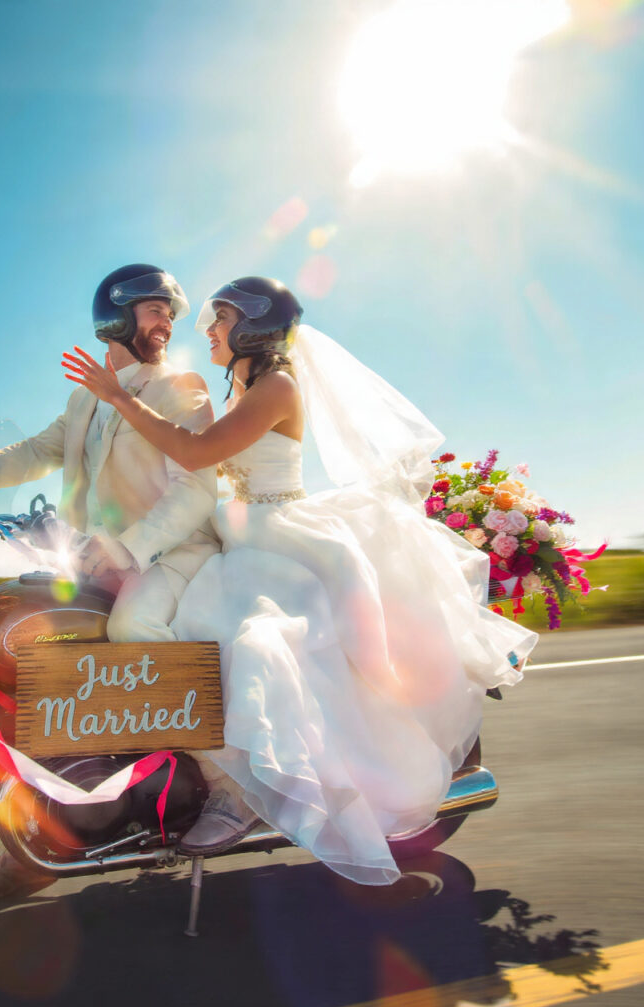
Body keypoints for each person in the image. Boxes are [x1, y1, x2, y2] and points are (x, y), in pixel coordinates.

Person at [62, 276, 537, 886]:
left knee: (257, 648)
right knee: (180, 631)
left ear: (255, 326)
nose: (207, 330)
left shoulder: (277, 387)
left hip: (278, 539)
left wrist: (122, 399)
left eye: (221, 319)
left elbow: (197, 452)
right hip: (241, 539)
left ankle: (243, 796)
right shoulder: (244, 387)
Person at [0, 263, 220, 898]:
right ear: (113, 315)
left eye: (170, 312)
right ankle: (49, 832)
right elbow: (35, 451)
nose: (166, 321)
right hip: (94, 556)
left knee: (128, 626)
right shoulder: (85, 396)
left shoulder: (181, 390)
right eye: (152, 309)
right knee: (16, 645)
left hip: (171, 553)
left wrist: (127, 548)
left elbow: (195, 491)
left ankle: (213, 777)